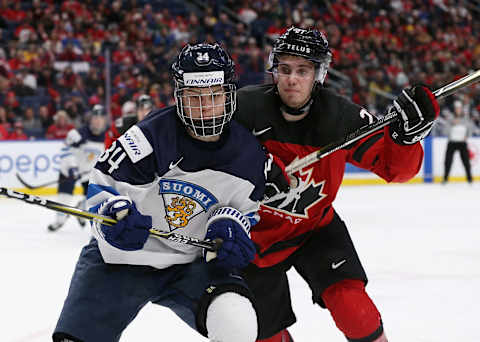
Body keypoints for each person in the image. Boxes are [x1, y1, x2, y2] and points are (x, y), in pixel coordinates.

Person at [234, 27, 440, 342]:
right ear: (274, 70)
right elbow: (192, 143)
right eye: (285, 69)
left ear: (320, 74)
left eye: (303, 71)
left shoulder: (341, 117)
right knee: (261, 335)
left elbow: (394, 169)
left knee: (353, 309)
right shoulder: (243, 108)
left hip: (315, 229)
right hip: (253, 240)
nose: (292, 79)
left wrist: (405, 139)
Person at [52, 43, 267, 342]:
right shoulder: (149, 137)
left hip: (190, 264)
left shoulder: (250, 155)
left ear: (230, 95)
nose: (205, 107)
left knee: (237, 323)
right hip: (121, 262)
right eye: (194, 97)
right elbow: (103, 186)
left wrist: (230, 222)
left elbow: (247, 210)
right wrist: (114, 215)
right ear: (179, 96)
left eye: (214, 96)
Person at [47, 104, 107, 231]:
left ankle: (82, 208)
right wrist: (72, 167)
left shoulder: (106, 137)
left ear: (104, 120)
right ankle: (59, 220)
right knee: (64, 197)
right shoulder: (78, 133)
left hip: (87, 173)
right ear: (90, 119)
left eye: (100, 118)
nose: (97, 121)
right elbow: (65, 149)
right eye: (95, 118)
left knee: (94, 196)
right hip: (70, 169)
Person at [442, 99, 477, 184]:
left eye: (459, 108)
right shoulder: (450, 118)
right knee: (448, 161)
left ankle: (470, 179)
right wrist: (452, 124)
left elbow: (471, 129)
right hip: (452, 142)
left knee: (466, 162)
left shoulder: (466, 118)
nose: (458, 110)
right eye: (457, 108)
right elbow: (444, 131)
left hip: (462, 143)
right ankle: (445, 179)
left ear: (461, 109)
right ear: (455, 109)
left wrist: (467, 136)